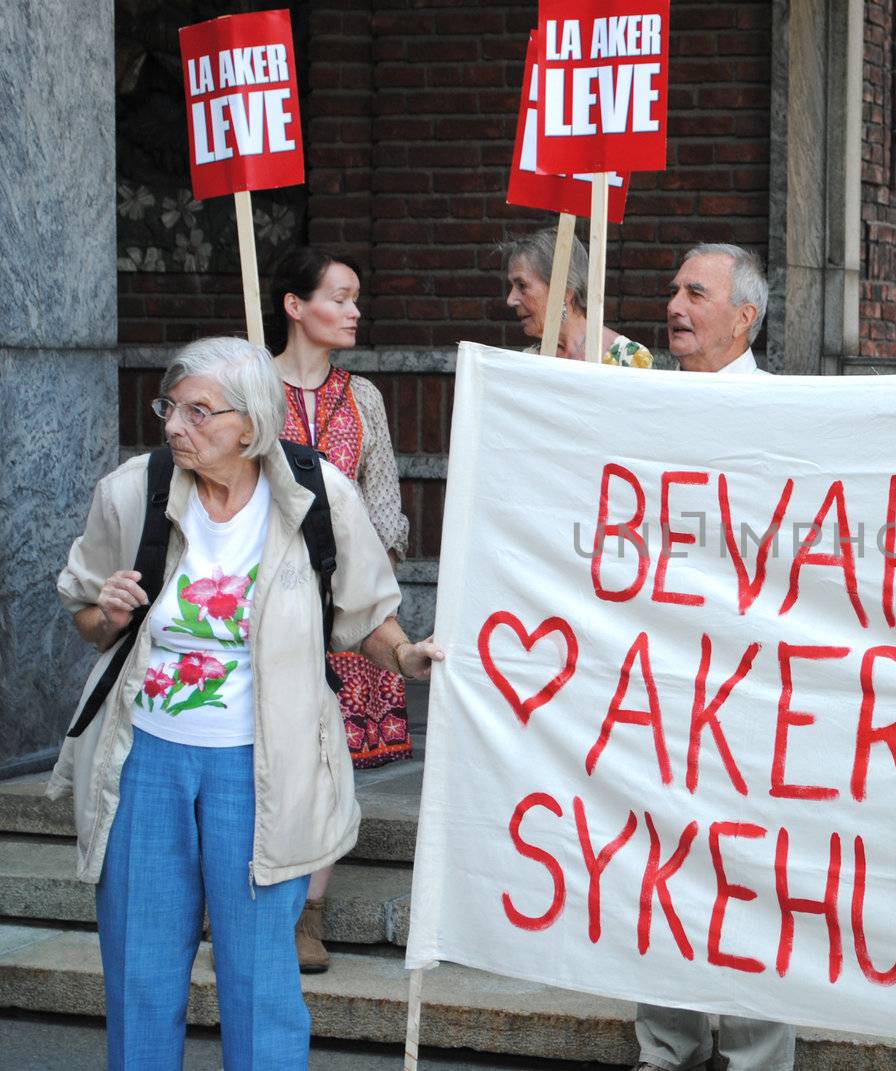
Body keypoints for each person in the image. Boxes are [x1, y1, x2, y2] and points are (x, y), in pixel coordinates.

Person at [52, 337, 443, 1068]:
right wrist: (104, 612)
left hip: (265, 765)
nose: (175, 425)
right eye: (171, 406)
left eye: (200, 411)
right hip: (145, 763)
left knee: (261, 978)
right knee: (140, 974)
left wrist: (406, 654)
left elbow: (364, 618)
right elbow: (86, 616)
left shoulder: (316, 492)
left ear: (251, 421)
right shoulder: (135, 489)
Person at [633, 243, 792, 1071]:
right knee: (662, 859)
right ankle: (668, 1042)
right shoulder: (643, 401)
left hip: (755, 685)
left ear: (744, 317)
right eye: (673, 289)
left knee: (753, 868)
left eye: (697, 292)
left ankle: (758, 1052)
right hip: (661, 678)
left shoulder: (783, 415)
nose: (676, 305)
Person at [270, 246, 411, 972]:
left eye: (357, 297)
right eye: (341, 296)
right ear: (296, 305)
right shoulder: (247, 388)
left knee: (332, 766)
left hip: (342, 605)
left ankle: (307, 915)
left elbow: (385, 503)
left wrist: (371, 571)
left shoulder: (365, 400)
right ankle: (248, 897)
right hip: (265, 602)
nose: (355, 310)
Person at [502, 228, 654, 367]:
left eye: (522, 285)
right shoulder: (529, 363)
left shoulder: (629, 359)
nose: (510, 300)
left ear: (564, 290)